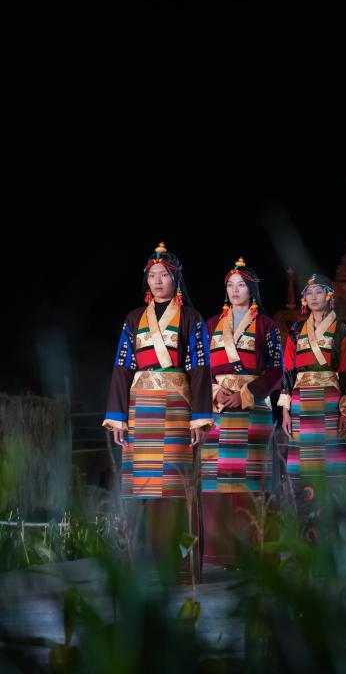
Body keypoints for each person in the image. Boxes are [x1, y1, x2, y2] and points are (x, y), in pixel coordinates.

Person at [102, 241, 213, 582]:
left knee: (177, 488)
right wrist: (117, 417)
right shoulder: (133, 319)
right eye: (152, 275)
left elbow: (200, 369)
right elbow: (122, 367)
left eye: (164, 274)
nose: (158, 280)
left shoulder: (192, 318)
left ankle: (180, 564)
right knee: (142, 487)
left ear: (176, 279)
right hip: (141, 411)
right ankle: (142, 564)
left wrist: (200, 417)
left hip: (178, 410)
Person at [201, 257, 283, 568]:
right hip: (219, 409)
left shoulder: (267, 325)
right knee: (217, 480)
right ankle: (221, 550)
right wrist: (213, 391)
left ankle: (253, 550)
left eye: (242, 285)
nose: (236, 290)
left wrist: (246, 394)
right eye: (231, 286)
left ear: (252, 290)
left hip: (252, 410)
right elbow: (200, 367)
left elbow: (277, 370)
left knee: (252, 479)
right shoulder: (210, 325)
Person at [279, 274, 346, 538]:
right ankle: (305, 533)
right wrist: (286, 408)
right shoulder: (295, 330)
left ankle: (335, 533)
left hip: (331, 402)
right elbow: (288, 370)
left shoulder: (343, 328)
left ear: (329, 296)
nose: (313, 297)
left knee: (332, 468)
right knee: (304, 469)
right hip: (301, 402)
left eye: (319, 292)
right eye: (309, 292)